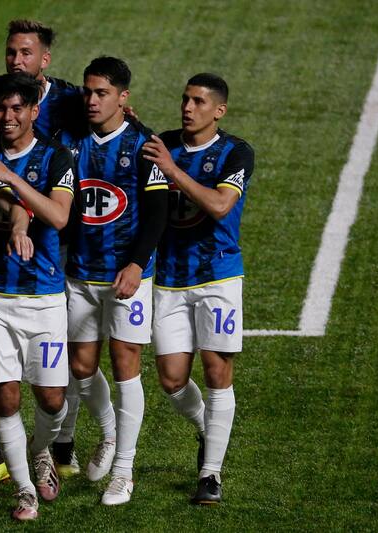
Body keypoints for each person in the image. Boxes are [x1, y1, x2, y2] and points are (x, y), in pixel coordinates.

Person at [58, 56, 168, 506]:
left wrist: (138, 265)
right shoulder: (69, 143)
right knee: (81, 368)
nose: (92, 100)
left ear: (123, 98)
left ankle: (124, 470)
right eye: (88, 91)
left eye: (102, 93)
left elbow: (157, 213)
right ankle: (109, 432)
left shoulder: (144, 145)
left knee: (126, 365)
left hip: (128, 277)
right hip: (80, 273)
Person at [141, 73, 255, 504]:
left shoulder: (235, 152)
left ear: (219, 110)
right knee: (171, 379)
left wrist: (172, 171)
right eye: (185, 100)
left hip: (218, 276)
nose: (188, 108)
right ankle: (211, 429)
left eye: (199, 102)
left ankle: (211, 474)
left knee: (216, 370)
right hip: (170, 278)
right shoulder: (163, 143)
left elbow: (221, 205)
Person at [0, 72, 75, 520]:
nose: (8, 116)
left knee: (52, 399)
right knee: (6, 398)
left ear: (34, 111)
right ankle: (25, 490)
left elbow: (57, 216)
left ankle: (40, 450)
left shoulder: (56, 157)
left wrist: (10, 177)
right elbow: (4, 204)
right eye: (1, 108)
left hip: (45, 295)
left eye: (17, 109)